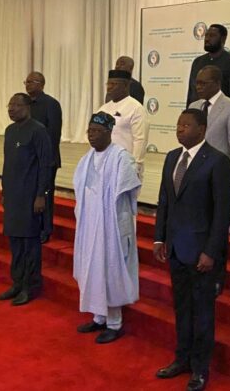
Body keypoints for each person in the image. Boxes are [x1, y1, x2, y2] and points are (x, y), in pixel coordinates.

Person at [153, 109, 230, 391]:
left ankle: (200, 369)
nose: (180, 129)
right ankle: (182, 359)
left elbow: (223, 212)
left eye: (186, 125)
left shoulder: (217, 161)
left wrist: (211, 251)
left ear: (202, 129)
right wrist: (159, 238)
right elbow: (165, 200)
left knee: (202, 314)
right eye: (178, 125)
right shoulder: (171, 157)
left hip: (202, 254)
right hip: (176, 249)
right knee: (182, 309)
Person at [73, 112, 141, 344]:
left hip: (111, 224)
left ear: (109, 132)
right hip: (89, 223)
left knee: (110, 269)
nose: (91, 135)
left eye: (97, 131)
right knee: (92, 268)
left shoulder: (121, 157)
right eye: (89, 131)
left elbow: (129, 190)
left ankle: (114, 323)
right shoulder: (86, 159)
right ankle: (98, 317)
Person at [0, 93, 52, 306]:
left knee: (30, 245)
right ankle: (17, 283)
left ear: (27, 107)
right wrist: (5, 191)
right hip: (13, 197)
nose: (11, 109)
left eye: (16, 105)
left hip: (30, 197)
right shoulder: (10, 131)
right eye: (9, 105)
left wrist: (41, 195)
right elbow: (8, 164)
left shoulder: (38, 131)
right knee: (15, 244)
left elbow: (45, 165)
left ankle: (31, 286)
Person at [188, 65, 230, 188]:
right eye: (197, 83)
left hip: (218, 176)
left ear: (217, 83)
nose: (198, 87)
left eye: (203, 83)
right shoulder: (194, 106)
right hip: (193, 175)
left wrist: (229, 180)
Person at [26, 71, 62, 244]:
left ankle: (45, 229)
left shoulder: (51, 104)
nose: (27, 84)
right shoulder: (25, 104)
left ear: (41, 83)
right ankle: (32, 225)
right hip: (28, 159)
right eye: (26, 82)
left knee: (45, 194)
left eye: (31, 81)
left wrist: (46, 158)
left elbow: (53, 134)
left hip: (46, 159)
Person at [98, 69, 148, 178]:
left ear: (125, 85)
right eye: (108, 84)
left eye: (114, 84)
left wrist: (135, 166)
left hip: (126, 166)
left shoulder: (136, 109)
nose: (109, 87)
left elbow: (140, 140)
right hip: (104, 165)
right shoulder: (103, 109)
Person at [186, 24, 230, 107]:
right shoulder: (197, 62)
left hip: (221, 113)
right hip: (197, 112)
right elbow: (191, 94)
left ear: (223, 39)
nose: (207, 39)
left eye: (212, 36)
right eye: (206, 35)